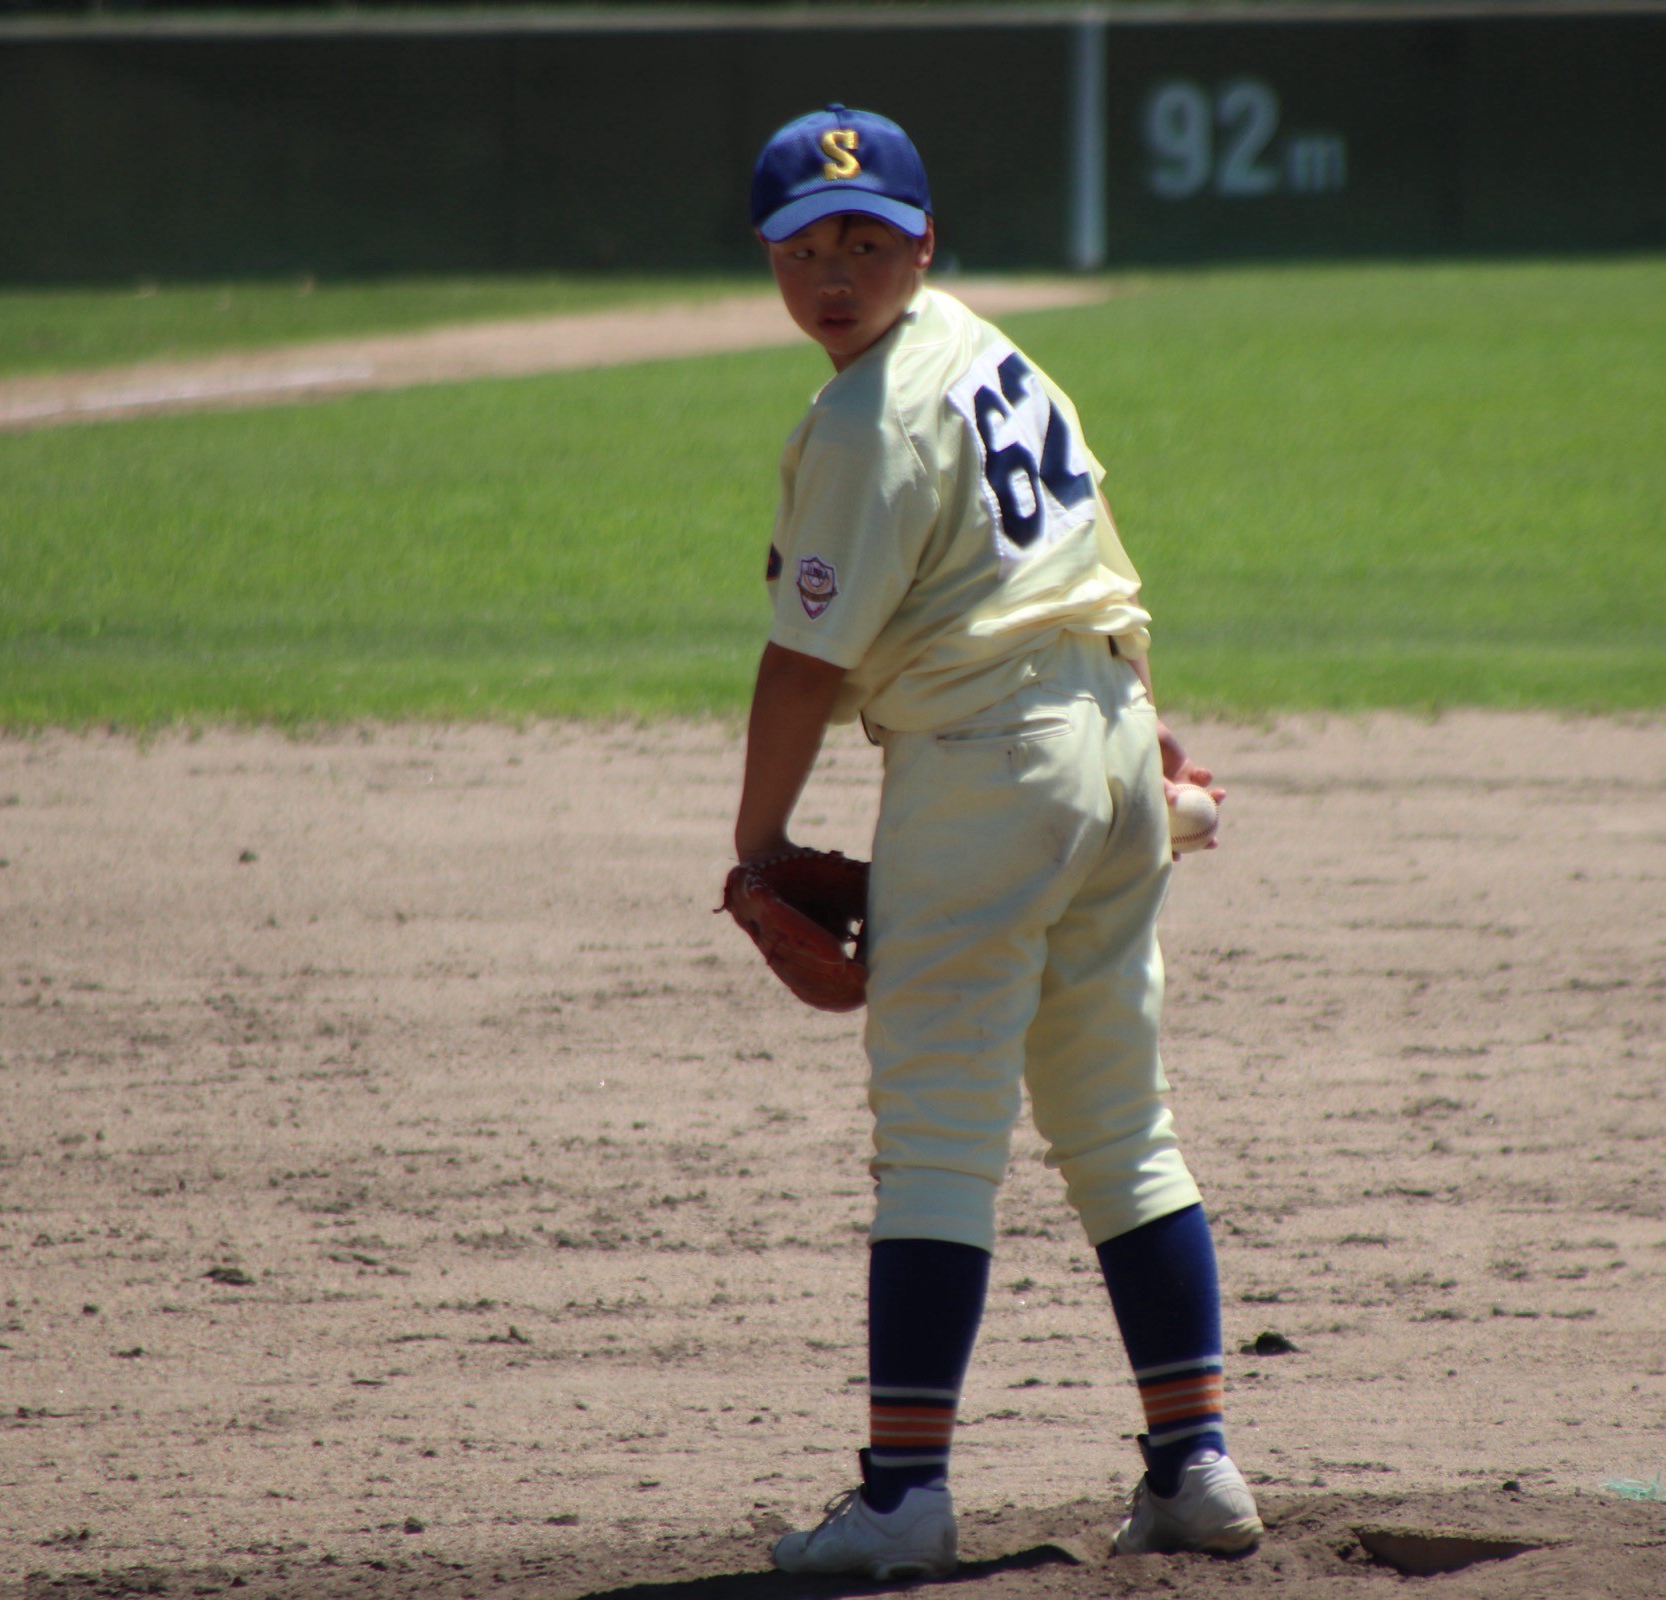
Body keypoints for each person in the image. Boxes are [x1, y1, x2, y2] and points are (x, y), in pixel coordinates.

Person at [731, 104, 1259, 1582]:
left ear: (925, 243)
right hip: (1108, 751)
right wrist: (1144, 740)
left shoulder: (865, 418)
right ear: (771, 261)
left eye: (867, 241)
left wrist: (757, 843)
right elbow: (1084, 563)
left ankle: (905, 1496)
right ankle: (1195, 1467)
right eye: (807, 248)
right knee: (1121, 1128)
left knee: (938, 1139)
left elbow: (802, 665)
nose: (837, 273)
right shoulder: (987, 350)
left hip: (985, 771)